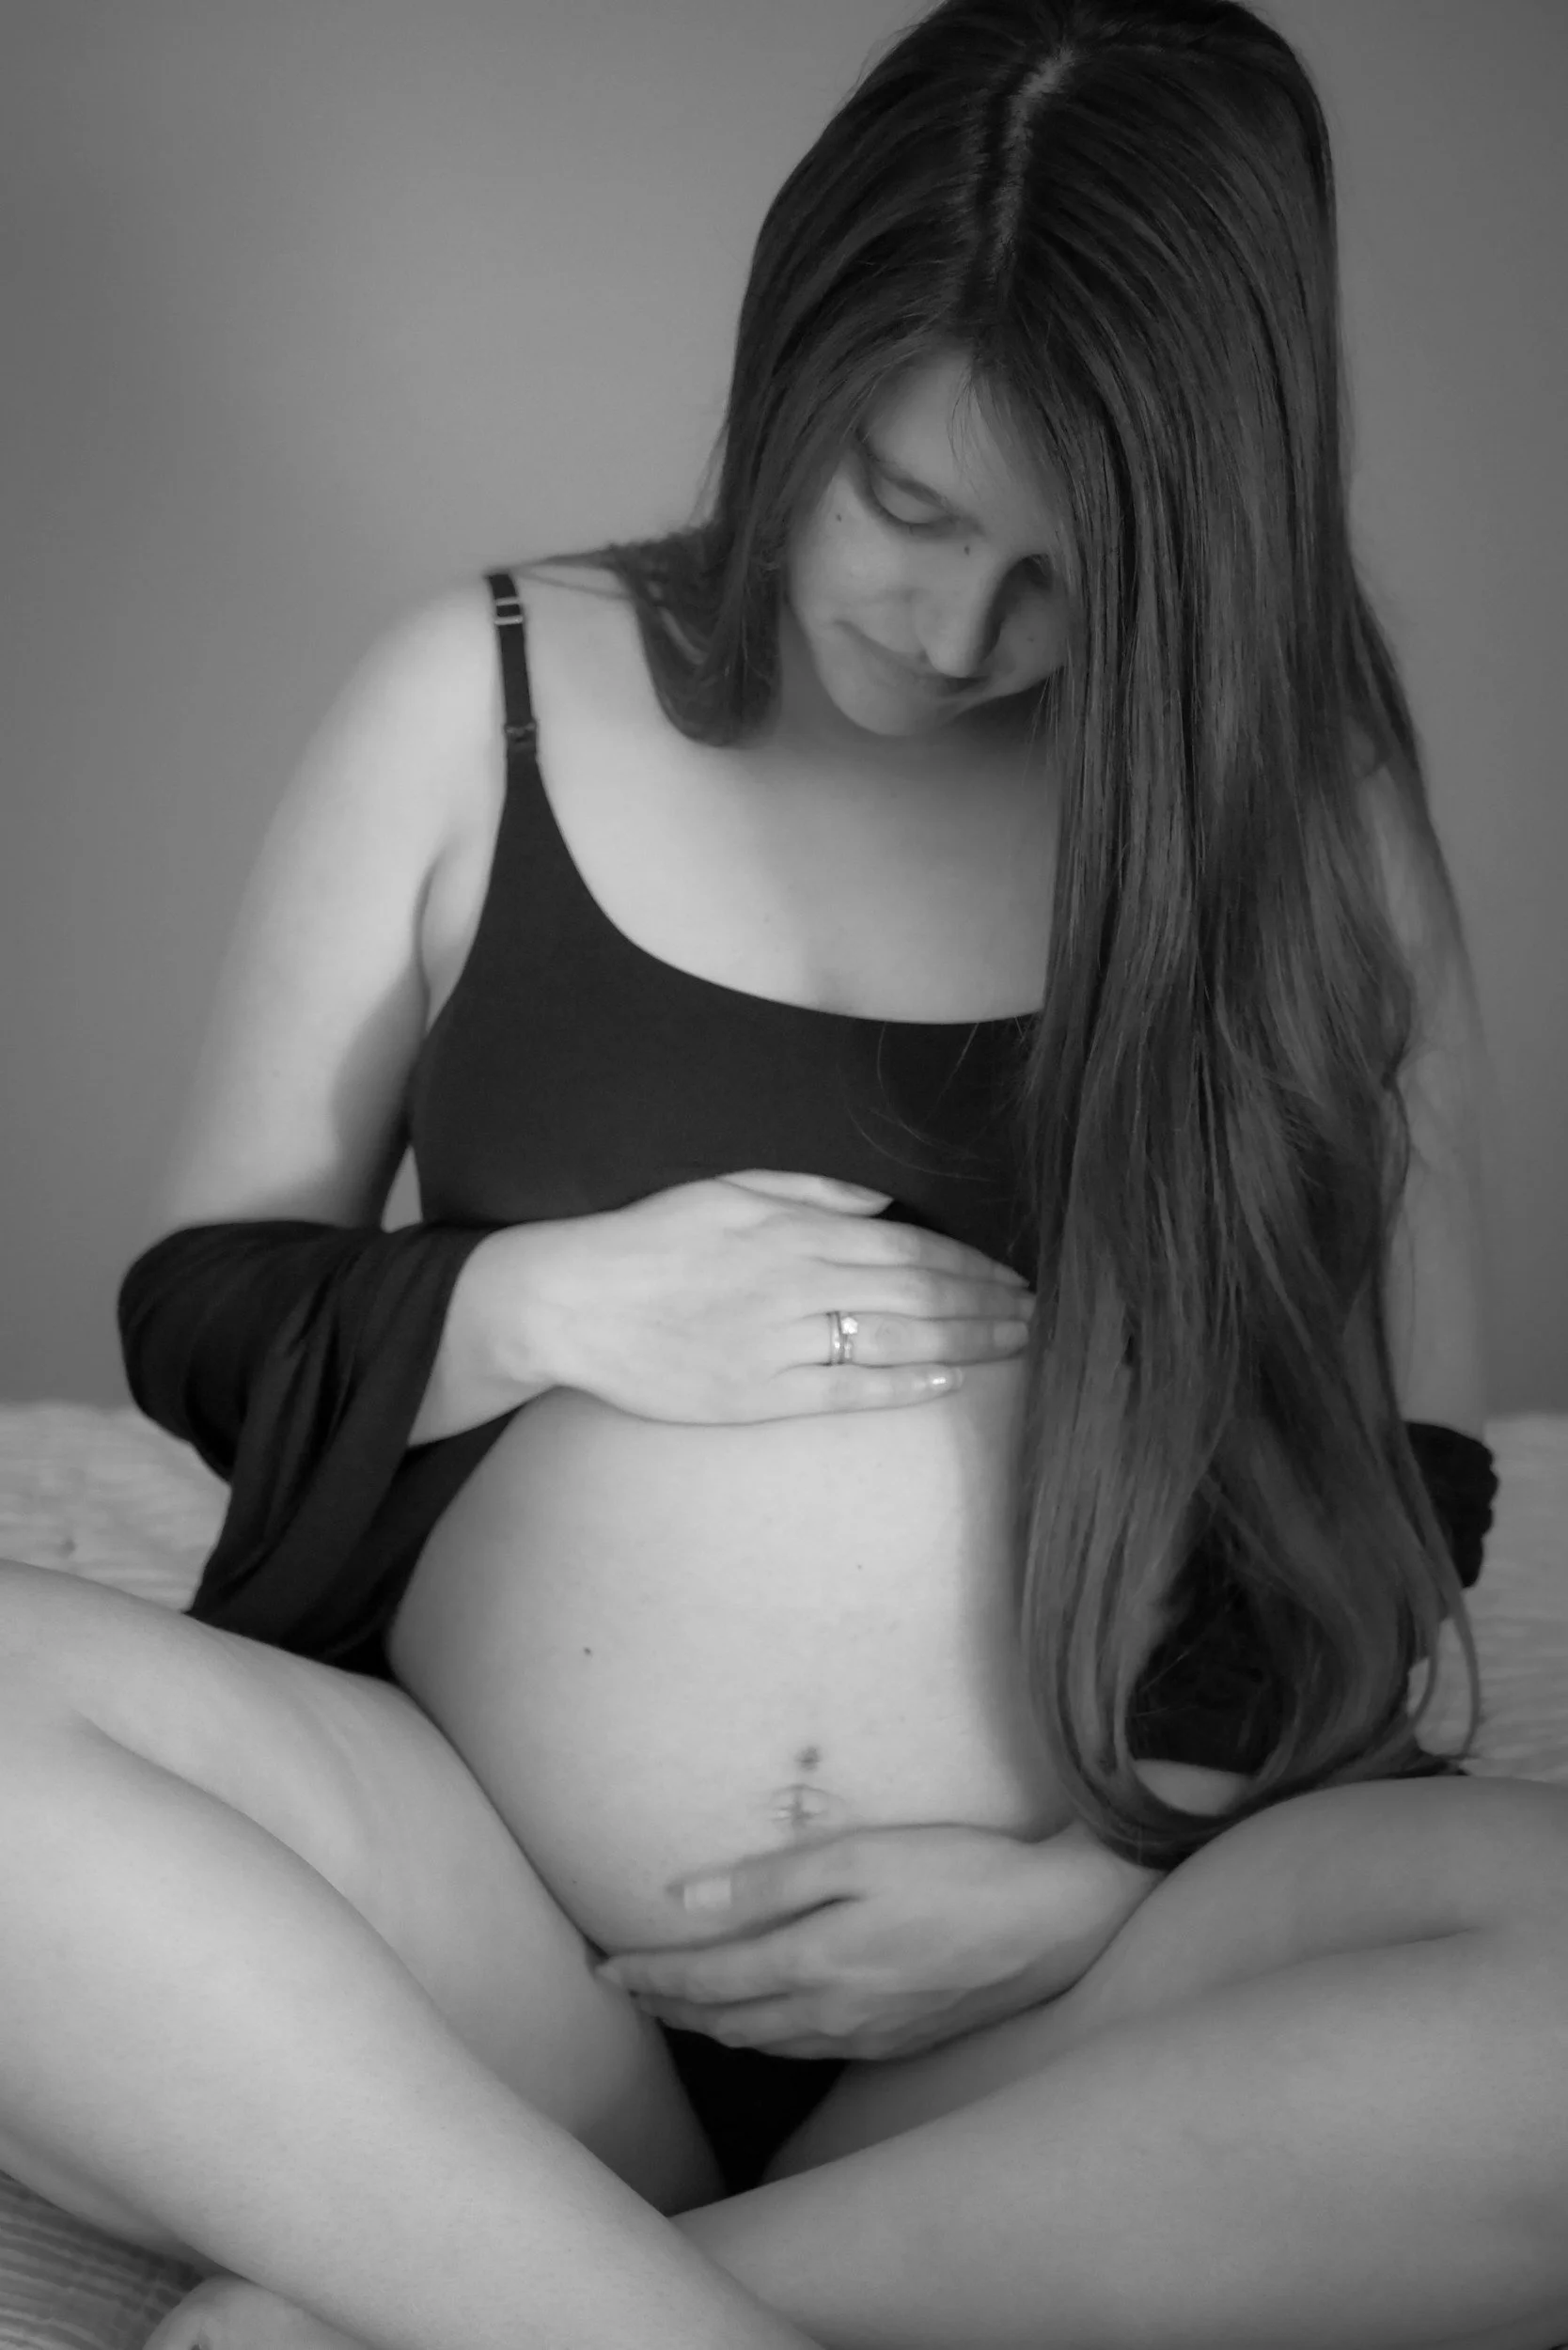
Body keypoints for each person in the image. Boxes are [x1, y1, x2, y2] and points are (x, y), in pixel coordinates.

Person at [2, 1, 1563, 2345]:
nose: (949, 635)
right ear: (797, 360)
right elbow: (202, 1307)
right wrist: (535, 1307)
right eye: (904, 507)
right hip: (479, 1938)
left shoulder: (1302, 825)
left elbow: (1404, 1453)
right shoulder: (486, 690)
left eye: (1059, 580)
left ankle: (479, 2300)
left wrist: (1108, 1855)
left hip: (1062, 1994)